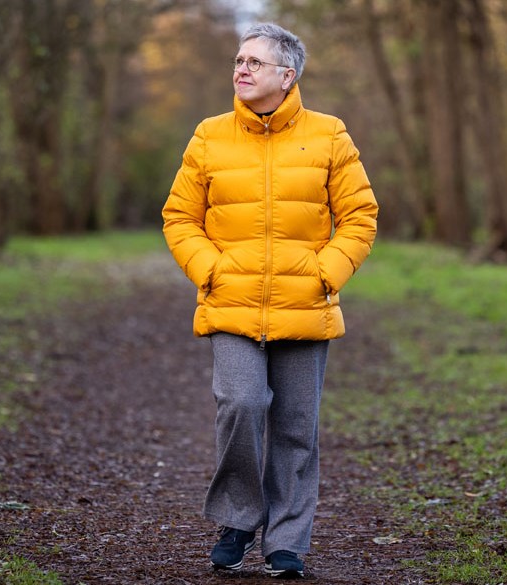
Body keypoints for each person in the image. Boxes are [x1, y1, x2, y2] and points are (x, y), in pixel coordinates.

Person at [161, 22, 378, 578]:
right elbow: (179, 217)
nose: (241, 69)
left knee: (295, 428)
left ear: (288, 76)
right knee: (241, 403)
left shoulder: (329, 134)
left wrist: (325, 274)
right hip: (231, 304)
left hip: (306, 306)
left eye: (255, 62)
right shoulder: (209, 135)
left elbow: (359, 216)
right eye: (238, 60)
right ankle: (238, 515)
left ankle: (287, 541)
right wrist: (210, 270)